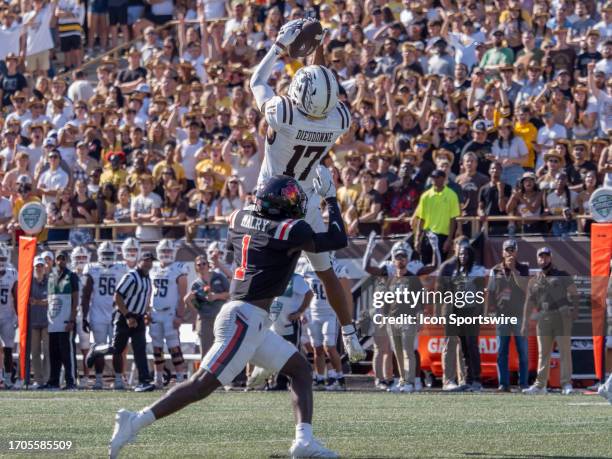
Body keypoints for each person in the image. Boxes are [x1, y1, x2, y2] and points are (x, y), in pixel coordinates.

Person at [109, 170, 346, 459]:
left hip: (248, 318)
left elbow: (245, 242)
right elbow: (336, 238)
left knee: (299, 369)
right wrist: (331, 200)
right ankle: (134, 421)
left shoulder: (238, 217)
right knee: (201, 385)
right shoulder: (290, 230)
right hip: (245, 320)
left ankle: (303, 441)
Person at [249, 18, 364, 362]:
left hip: (271, 203)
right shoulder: (338, 119)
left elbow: (257, 80)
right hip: (308, 199)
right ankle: (350, 335)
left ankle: (257, 343)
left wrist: (280, 47)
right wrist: (318, 46)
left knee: (262, 276)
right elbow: (322, 83)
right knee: (325, 271)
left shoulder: (281, 112)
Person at [522, 247, 579, 395]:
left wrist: (575, 310)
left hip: (561, 316)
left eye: (546, 256)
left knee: (564, 352)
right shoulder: (534, 280)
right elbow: (529, 303)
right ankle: (540, 385)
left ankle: (566, 384)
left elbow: (574, 293)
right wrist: (524, 322)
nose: (543, 259)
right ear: (537, 259)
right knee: (543, 353)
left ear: (551, 258)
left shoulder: (562, 275)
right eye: (541, 257)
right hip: (543, 317)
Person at [253, 267, 313, 391]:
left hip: (290, 323)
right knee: (275, 352)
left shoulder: (296, 278)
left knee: (293, 351)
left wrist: (300, 312)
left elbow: (309, 293)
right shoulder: (274, 276)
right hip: (275, 322)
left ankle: (298, 381)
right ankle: (279, 381)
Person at [82, 242, 128, 390]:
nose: (107, 257)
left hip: (116, 314)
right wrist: (85, 316)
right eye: (105, 254)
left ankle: (119, 379)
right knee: (99, 349)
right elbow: (86, 294)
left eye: (110, 254)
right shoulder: (92, 268)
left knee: (118, 349)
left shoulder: (122, 267)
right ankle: (99, 379)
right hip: (98, 315)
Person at [487, 239, 530, 392]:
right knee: (501, 352)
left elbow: (526, 288)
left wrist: (514, 271)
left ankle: (523, 383)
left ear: (516, 252)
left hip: (519, 315)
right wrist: (489, 312)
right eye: (507, 249)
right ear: (502, 252)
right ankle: (503, 384)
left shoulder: (523, 268)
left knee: (523, 351)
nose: (509, 252)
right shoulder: (495, 270)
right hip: (502, 315)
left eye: (512, 249)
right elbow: (490, 292)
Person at [110, 252, 155, 393]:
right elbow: (117, 296)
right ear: (139, 261)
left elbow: (145, 298)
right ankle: (99, 353)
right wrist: (128, 315)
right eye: (146, 260)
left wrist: (146, 313)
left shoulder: (148, 279)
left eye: (150, 261)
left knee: (140, 349)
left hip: (139, 318)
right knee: (117, 348)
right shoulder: (131, 276)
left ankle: (144, 381)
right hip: (124, 317)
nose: (148, 263)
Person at [303, 257, 349, 392]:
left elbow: (345, 292)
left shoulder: (336, 266)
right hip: (313, 313)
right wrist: (304, 311)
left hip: (330, 313)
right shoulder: (307, 267)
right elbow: (305, 292)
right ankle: (320, 378)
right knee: (317, 348)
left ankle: (339, 378)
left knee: (329, 346)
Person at [446, 245, 487, 392]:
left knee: (472, 345)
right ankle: (468, 380)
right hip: (459, 313)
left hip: (472, 312)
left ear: (471, 256)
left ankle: (477, 380)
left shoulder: (476, 271)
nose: (463, 257)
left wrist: (479, 312)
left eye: (466, 254)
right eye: (461, 254)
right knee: (464, 348)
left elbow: (481, 294)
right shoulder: (456, 272)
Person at [149, 239, 188, 388]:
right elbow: (149, 292)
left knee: (174, 346)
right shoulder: (153, 269)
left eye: (169, 251)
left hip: (170, 313)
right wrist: (148, 310)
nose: (166, 253)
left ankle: (180, 379)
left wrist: (179, 315)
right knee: (156, 347)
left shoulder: (179, 268)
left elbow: (182, 295)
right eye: (164, 251)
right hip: (155, 312)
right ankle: (158, 378)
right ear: (158, 253)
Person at [45, 251, 79, 390]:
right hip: (53, 322)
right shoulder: (51, 276)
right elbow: (50, 300)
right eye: (58, 259)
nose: (60, 261)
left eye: (63, 259)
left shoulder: (72, 276)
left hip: (66, 321)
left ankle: (71, 381)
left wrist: (72, 320)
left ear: (67, 260)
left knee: (67, 354)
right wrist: (36, 302)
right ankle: (53, 381)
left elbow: (75, 300)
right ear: (55, 261)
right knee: (54, 353)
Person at [184, 254, 229, 359]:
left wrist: (216, 296)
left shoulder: (219, 277)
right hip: (205, 321)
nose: (202, 266)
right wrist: (187, 301)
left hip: (220, 318)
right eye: (199, 265)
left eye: (204, 263)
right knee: (206, 353)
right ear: (196, 267)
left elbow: (230, 293)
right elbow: (196, 308)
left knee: (223, 350)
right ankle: (206, 375)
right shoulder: (195, 285)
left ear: (208, 265)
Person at [413, 169, 460, 265]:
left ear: (443, 178)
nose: (434, 180)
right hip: (427, 236)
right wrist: (417, 239)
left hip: (442, 236)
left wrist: (449, 239)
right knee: (425, 265)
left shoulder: (452, 195)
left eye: (437, 177)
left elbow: (453, 219)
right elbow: (421, 218)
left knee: (438, 266)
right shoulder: (425, 196)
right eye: (433, 177)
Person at [70, 246, 92, 388]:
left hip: (85, 314)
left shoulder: (90, 275)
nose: (81, 260)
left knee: (86, 347)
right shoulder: (69, 275)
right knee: (69, 346)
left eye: (83, 257)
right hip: (71, 313)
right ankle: (71, 375)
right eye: (78, 257)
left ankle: (86, 376)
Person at [29, 256, 50, 389]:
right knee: (35, 352)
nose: (39, 268)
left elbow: (52, 299)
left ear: (45, 268)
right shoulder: (29, 282)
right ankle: (38, 379)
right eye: (37, 266)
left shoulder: (50, 281)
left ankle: (47, 379)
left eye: (41, 266)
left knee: (47, 352)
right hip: (33, 321)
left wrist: (37, 302)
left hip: (47, 321)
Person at [0, 243, 17, 388]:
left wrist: (18, 315)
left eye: (2, 258)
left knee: (8, 348)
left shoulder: (12, 273)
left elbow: (16, 296)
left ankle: (8, 378)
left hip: (8, 315)